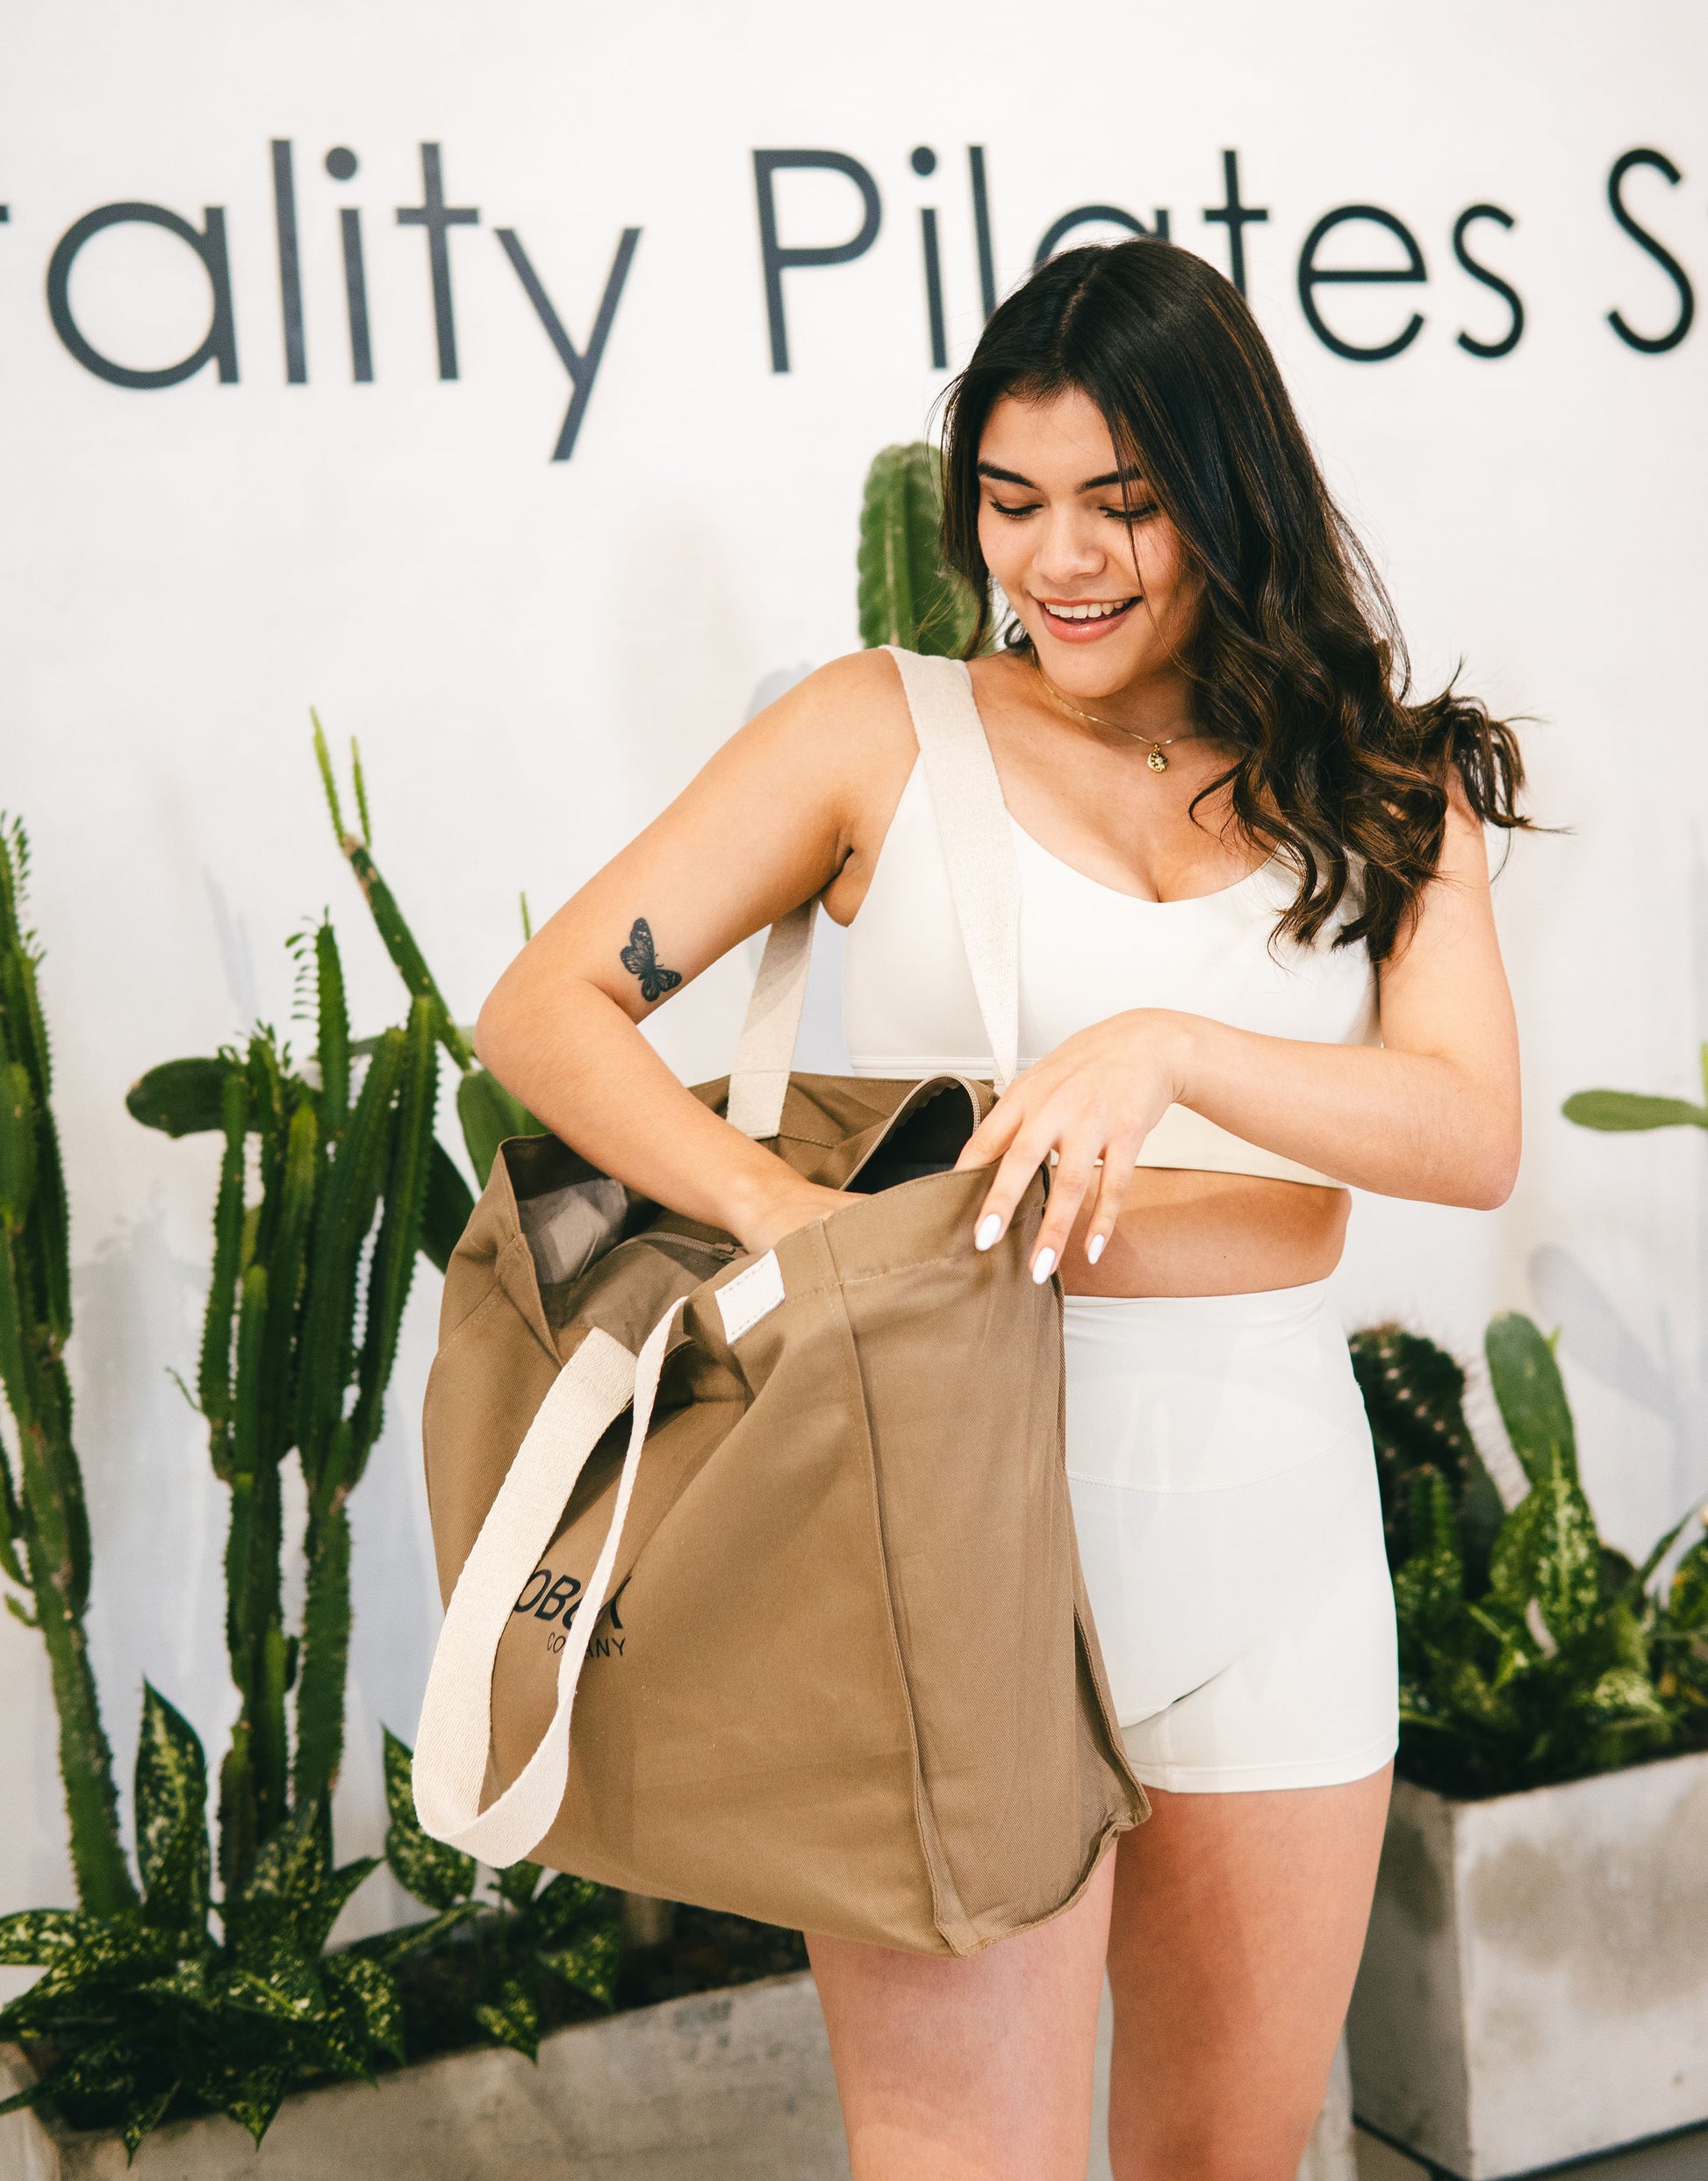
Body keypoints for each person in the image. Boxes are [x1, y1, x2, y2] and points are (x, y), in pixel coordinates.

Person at [475, 238, 1528, 2181]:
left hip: (1271, 1538)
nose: (1060, 560)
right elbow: (546, 1007)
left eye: (1122, 502)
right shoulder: (876, 727)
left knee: (1228, 2160)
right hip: (937, 1532)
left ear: (1230, 492)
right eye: (1011, 500)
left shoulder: (1378, 778)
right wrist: (785, 1214)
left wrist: (1167, 1050)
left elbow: (1463, 1131)